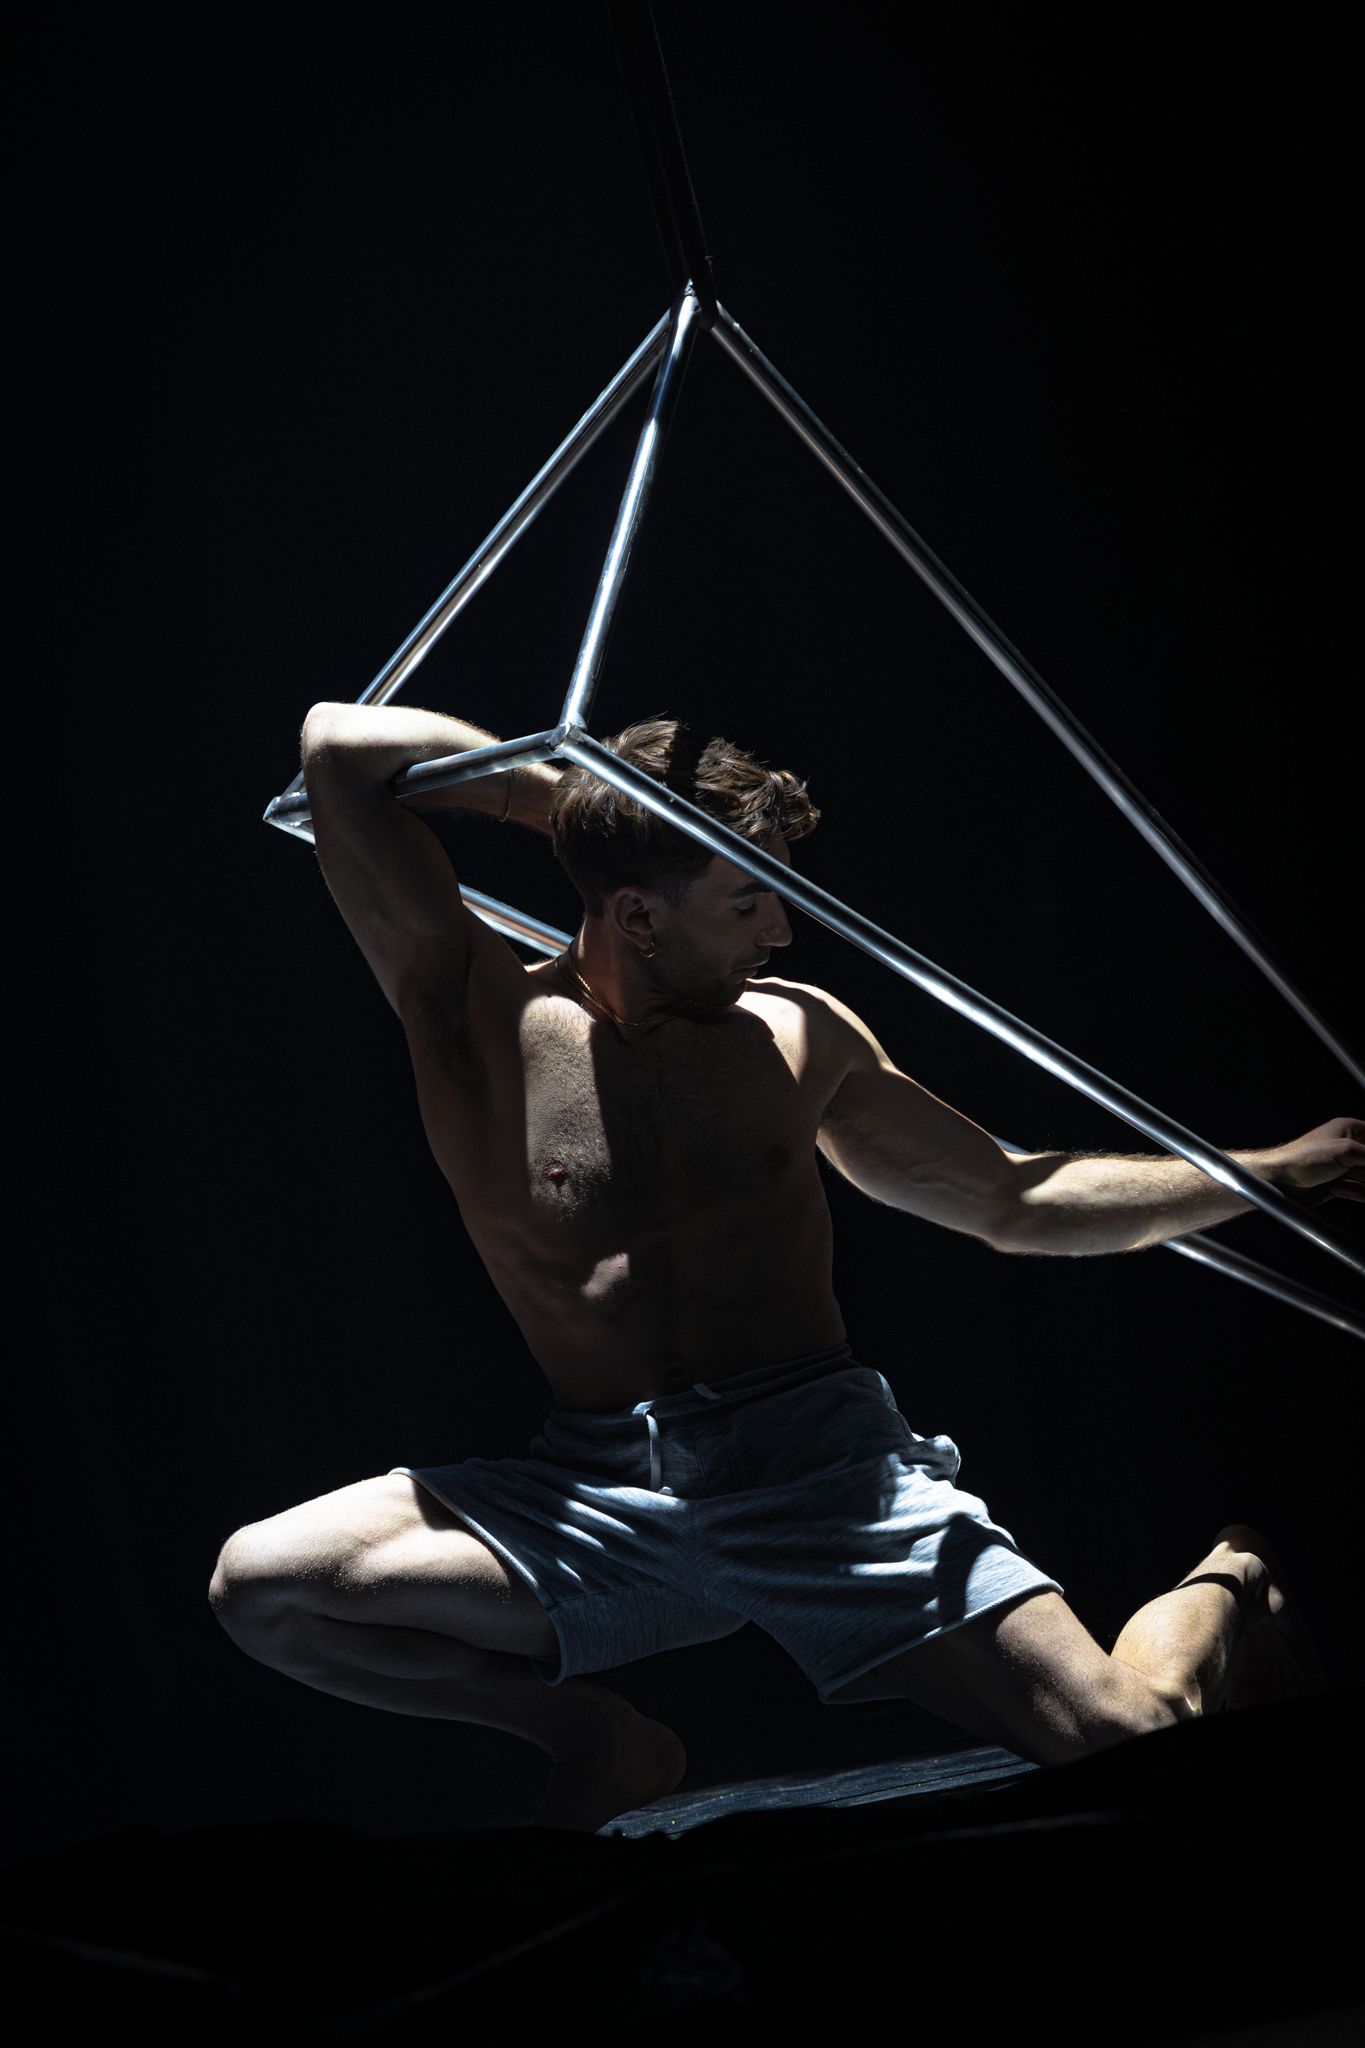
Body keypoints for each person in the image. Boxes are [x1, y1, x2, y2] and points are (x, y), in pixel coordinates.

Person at [211, 705, 1357, 1833]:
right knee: (262, 1587)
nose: (780, 930)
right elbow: (336, 744)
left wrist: (1268, 1171)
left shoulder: (799, 1035)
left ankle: (1235, 1574)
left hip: (823, 1476)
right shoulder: (472, 1009)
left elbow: (1020, 1199)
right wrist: (579, 803)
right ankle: (593, 1738)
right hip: (603, 1496)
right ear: (638, 915)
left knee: (1135, 1743)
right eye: (745, 897)